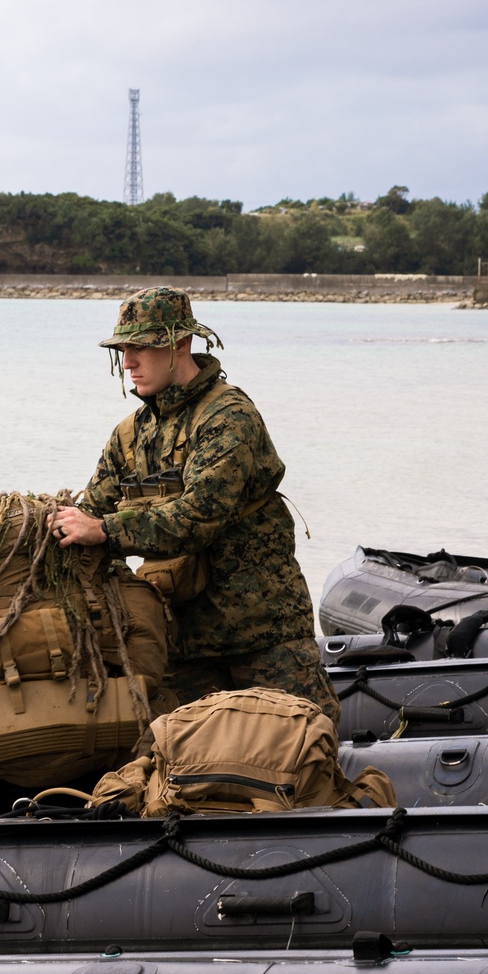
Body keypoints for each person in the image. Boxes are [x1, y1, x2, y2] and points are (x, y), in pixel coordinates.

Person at [53, 286, 340, 725]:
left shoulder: (228, 416)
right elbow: (88, 511)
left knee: (309, 753)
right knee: (175, 773)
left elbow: (197, 517)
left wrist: (106, 531)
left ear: (180, 345)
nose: (128, 362)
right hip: (182, 645)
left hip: (263, 636)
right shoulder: (130, 435)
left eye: (141, 348)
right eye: (123, 350)